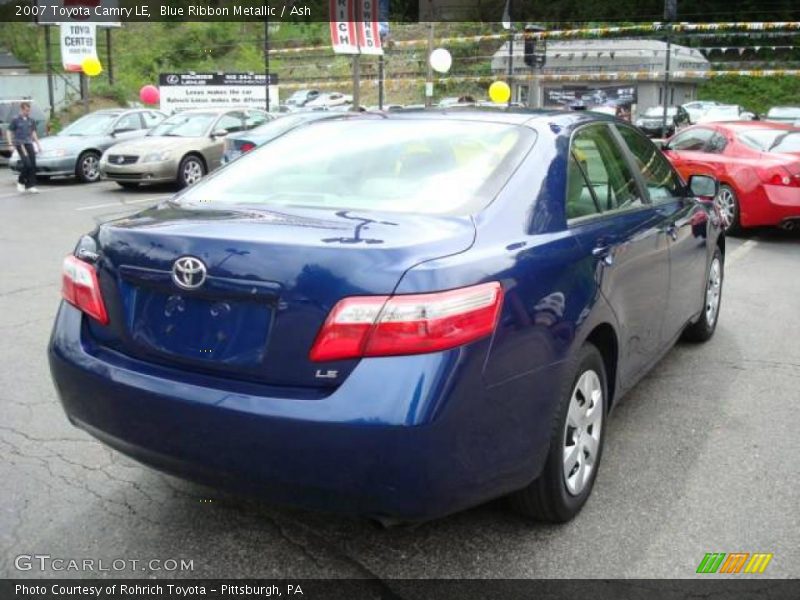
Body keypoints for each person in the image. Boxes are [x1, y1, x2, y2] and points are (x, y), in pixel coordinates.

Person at [6, 101, 41, 194]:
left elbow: (33, 132)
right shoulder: (16, 119)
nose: (27, 112)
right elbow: (9, 131)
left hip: (29, 143)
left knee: (33, 164)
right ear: (21, 109)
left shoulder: (31, 120)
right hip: (20, 143)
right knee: (27, 164)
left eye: (29, 110)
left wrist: (38, 144)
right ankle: (21, 181)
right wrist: (10, 144)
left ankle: (31, 185)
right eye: (26, 110)